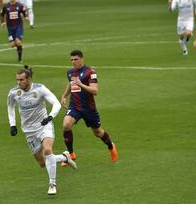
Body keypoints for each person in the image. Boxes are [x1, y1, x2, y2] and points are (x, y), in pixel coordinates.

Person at [7, 66, 77, 195]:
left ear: (29, 79)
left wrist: (50, 117)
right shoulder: (13, 92)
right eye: (17, 80)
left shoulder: (40, 89)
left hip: (44, 125)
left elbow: (56, 103)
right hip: (28, 131)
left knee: (48, 150)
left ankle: (52, 184)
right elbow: (10, 107)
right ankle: (64, 157)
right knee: (42, 163)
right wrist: (12, 125)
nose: (19, 82)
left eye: (21, 79)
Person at [60, 50, 118, 167]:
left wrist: (80, 84)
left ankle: (111, 146)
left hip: (88, 108)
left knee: (98, 132)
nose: (73, 62)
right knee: (66, 125)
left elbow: (95, 91)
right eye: (71, 60)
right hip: (74, 106)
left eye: (75, 59)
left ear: (82, 59)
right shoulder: (70, 72)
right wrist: (64, 95)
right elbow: (71, 83)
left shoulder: (90, 72)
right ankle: (71, 154)